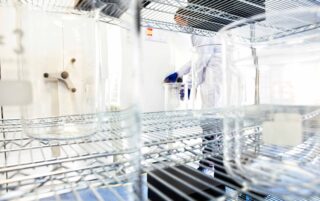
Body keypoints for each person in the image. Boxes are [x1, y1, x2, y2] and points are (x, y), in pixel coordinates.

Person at [164, 8, 224, 177]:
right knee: (212, 124)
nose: (180, 26)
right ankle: (210, 162)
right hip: (213, 80)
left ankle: (209, 164)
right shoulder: (204, 30)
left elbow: (201, 61)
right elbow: (196, 59)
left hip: (213, 81)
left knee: (210, 124)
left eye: (179, 22)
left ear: (186, 18)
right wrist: (179, 73)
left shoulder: (201, 31)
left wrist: (191, 84)